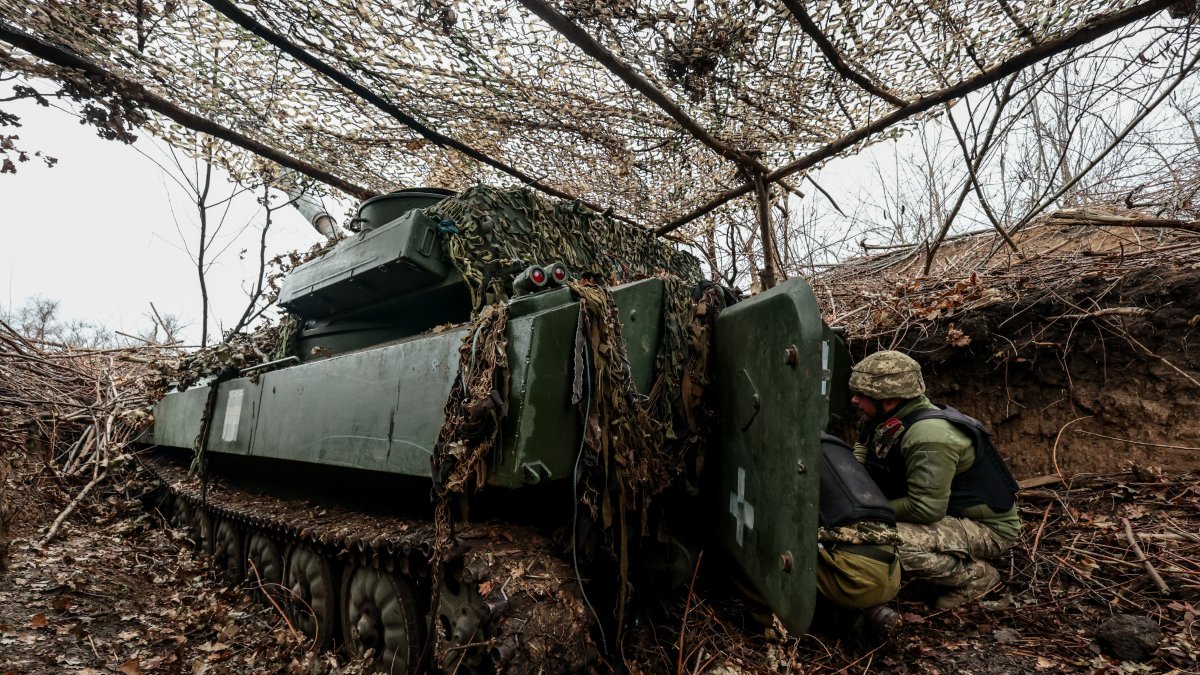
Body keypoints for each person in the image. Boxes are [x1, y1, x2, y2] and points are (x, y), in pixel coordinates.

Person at [848, 350, 1020, 610]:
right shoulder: (885, 419)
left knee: (884, 541)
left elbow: (925, 508)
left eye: (862, 394)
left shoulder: (929, 436)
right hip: (948, 516)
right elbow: (863, 448)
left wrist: (865, 509)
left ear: (891, 399)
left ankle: (977, 577)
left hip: (987, 528)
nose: (854, 400)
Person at [816, 432, 901, 621]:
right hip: (892, 575)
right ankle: (856, 619)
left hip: (855, 579)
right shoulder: (835, 445)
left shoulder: (793, 451)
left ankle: (766, 626)